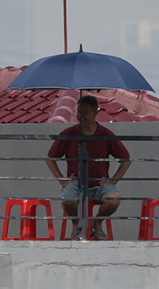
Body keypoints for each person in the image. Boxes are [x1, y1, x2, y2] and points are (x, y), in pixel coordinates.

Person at [46, 95, 132, 240]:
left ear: (95, 113)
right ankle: (77, 224)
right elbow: (50, 159)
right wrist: (62, 180)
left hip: (99, 184)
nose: (81, 116)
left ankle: (96, 223)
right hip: (76, 183)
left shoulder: (105, 134)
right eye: (79, 112)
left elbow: (126, 160)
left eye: (85, 112)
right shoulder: (68, 133)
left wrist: (113, 181)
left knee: (114, 199)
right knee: (67, 199)